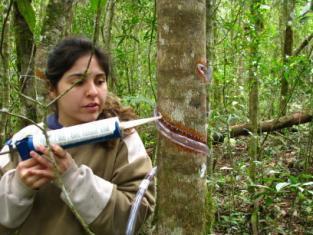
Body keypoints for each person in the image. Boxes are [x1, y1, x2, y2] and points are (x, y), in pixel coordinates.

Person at [0, 37, 155, 235]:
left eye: (100, 81)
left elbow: (134, 217)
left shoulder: (122, 138)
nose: (92, 92)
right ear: (52, 89)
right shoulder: (25, 141)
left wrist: (72, 177)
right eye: (78, 82)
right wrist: (19, 187)